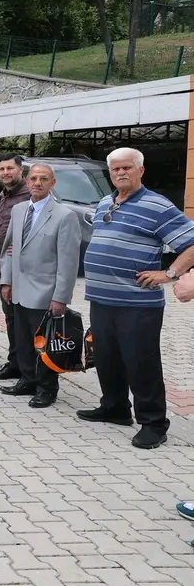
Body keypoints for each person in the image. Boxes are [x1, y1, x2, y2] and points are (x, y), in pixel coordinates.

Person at [80, 147, 194, 450]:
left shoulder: (157, 206)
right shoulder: (105, 202)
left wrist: (169, 274)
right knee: (107, 358)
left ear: (140, 170)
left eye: (127, 167)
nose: (121, 173)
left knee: (141, 363)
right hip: (101, 298)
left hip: (137, 303)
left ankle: (154, 424)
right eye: (115, 169)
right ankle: (115, 407)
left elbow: (191, 243)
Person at [0, 164, 81, 409]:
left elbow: (68, 262)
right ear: (26, 181)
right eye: (33, 178)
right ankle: (28, 380)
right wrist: (7, 281)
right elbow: (9, 249)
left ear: (53, 183)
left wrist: (61, 297)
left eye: (43, 179)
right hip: (19, 289)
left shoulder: (64, 216)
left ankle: (47, 388)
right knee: (23, 341)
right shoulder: (19, 210)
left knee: (44, 344)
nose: (37, 183)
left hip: (45, 292)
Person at [0, 154, 31, 382]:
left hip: (22, 270)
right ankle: (15, 363)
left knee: (23, 321)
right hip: (2, 267)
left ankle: (28, 369)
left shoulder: (30, 195)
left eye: (9, 168)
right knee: (11, 320)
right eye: (1, 169)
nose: (5, 173)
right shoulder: (3, 195)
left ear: (20, 170)